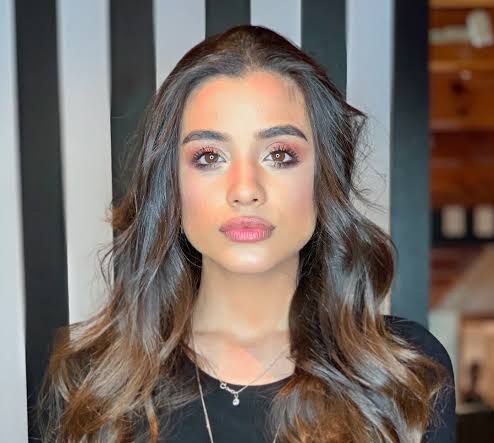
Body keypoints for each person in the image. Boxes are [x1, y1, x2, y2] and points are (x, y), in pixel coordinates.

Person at [36, 25, 456, 443]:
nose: (244, 189)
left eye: (279, 155)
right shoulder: (92, 380)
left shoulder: (404, 371)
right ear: (171, 185)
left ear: (323, 177)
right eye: (209, 157)